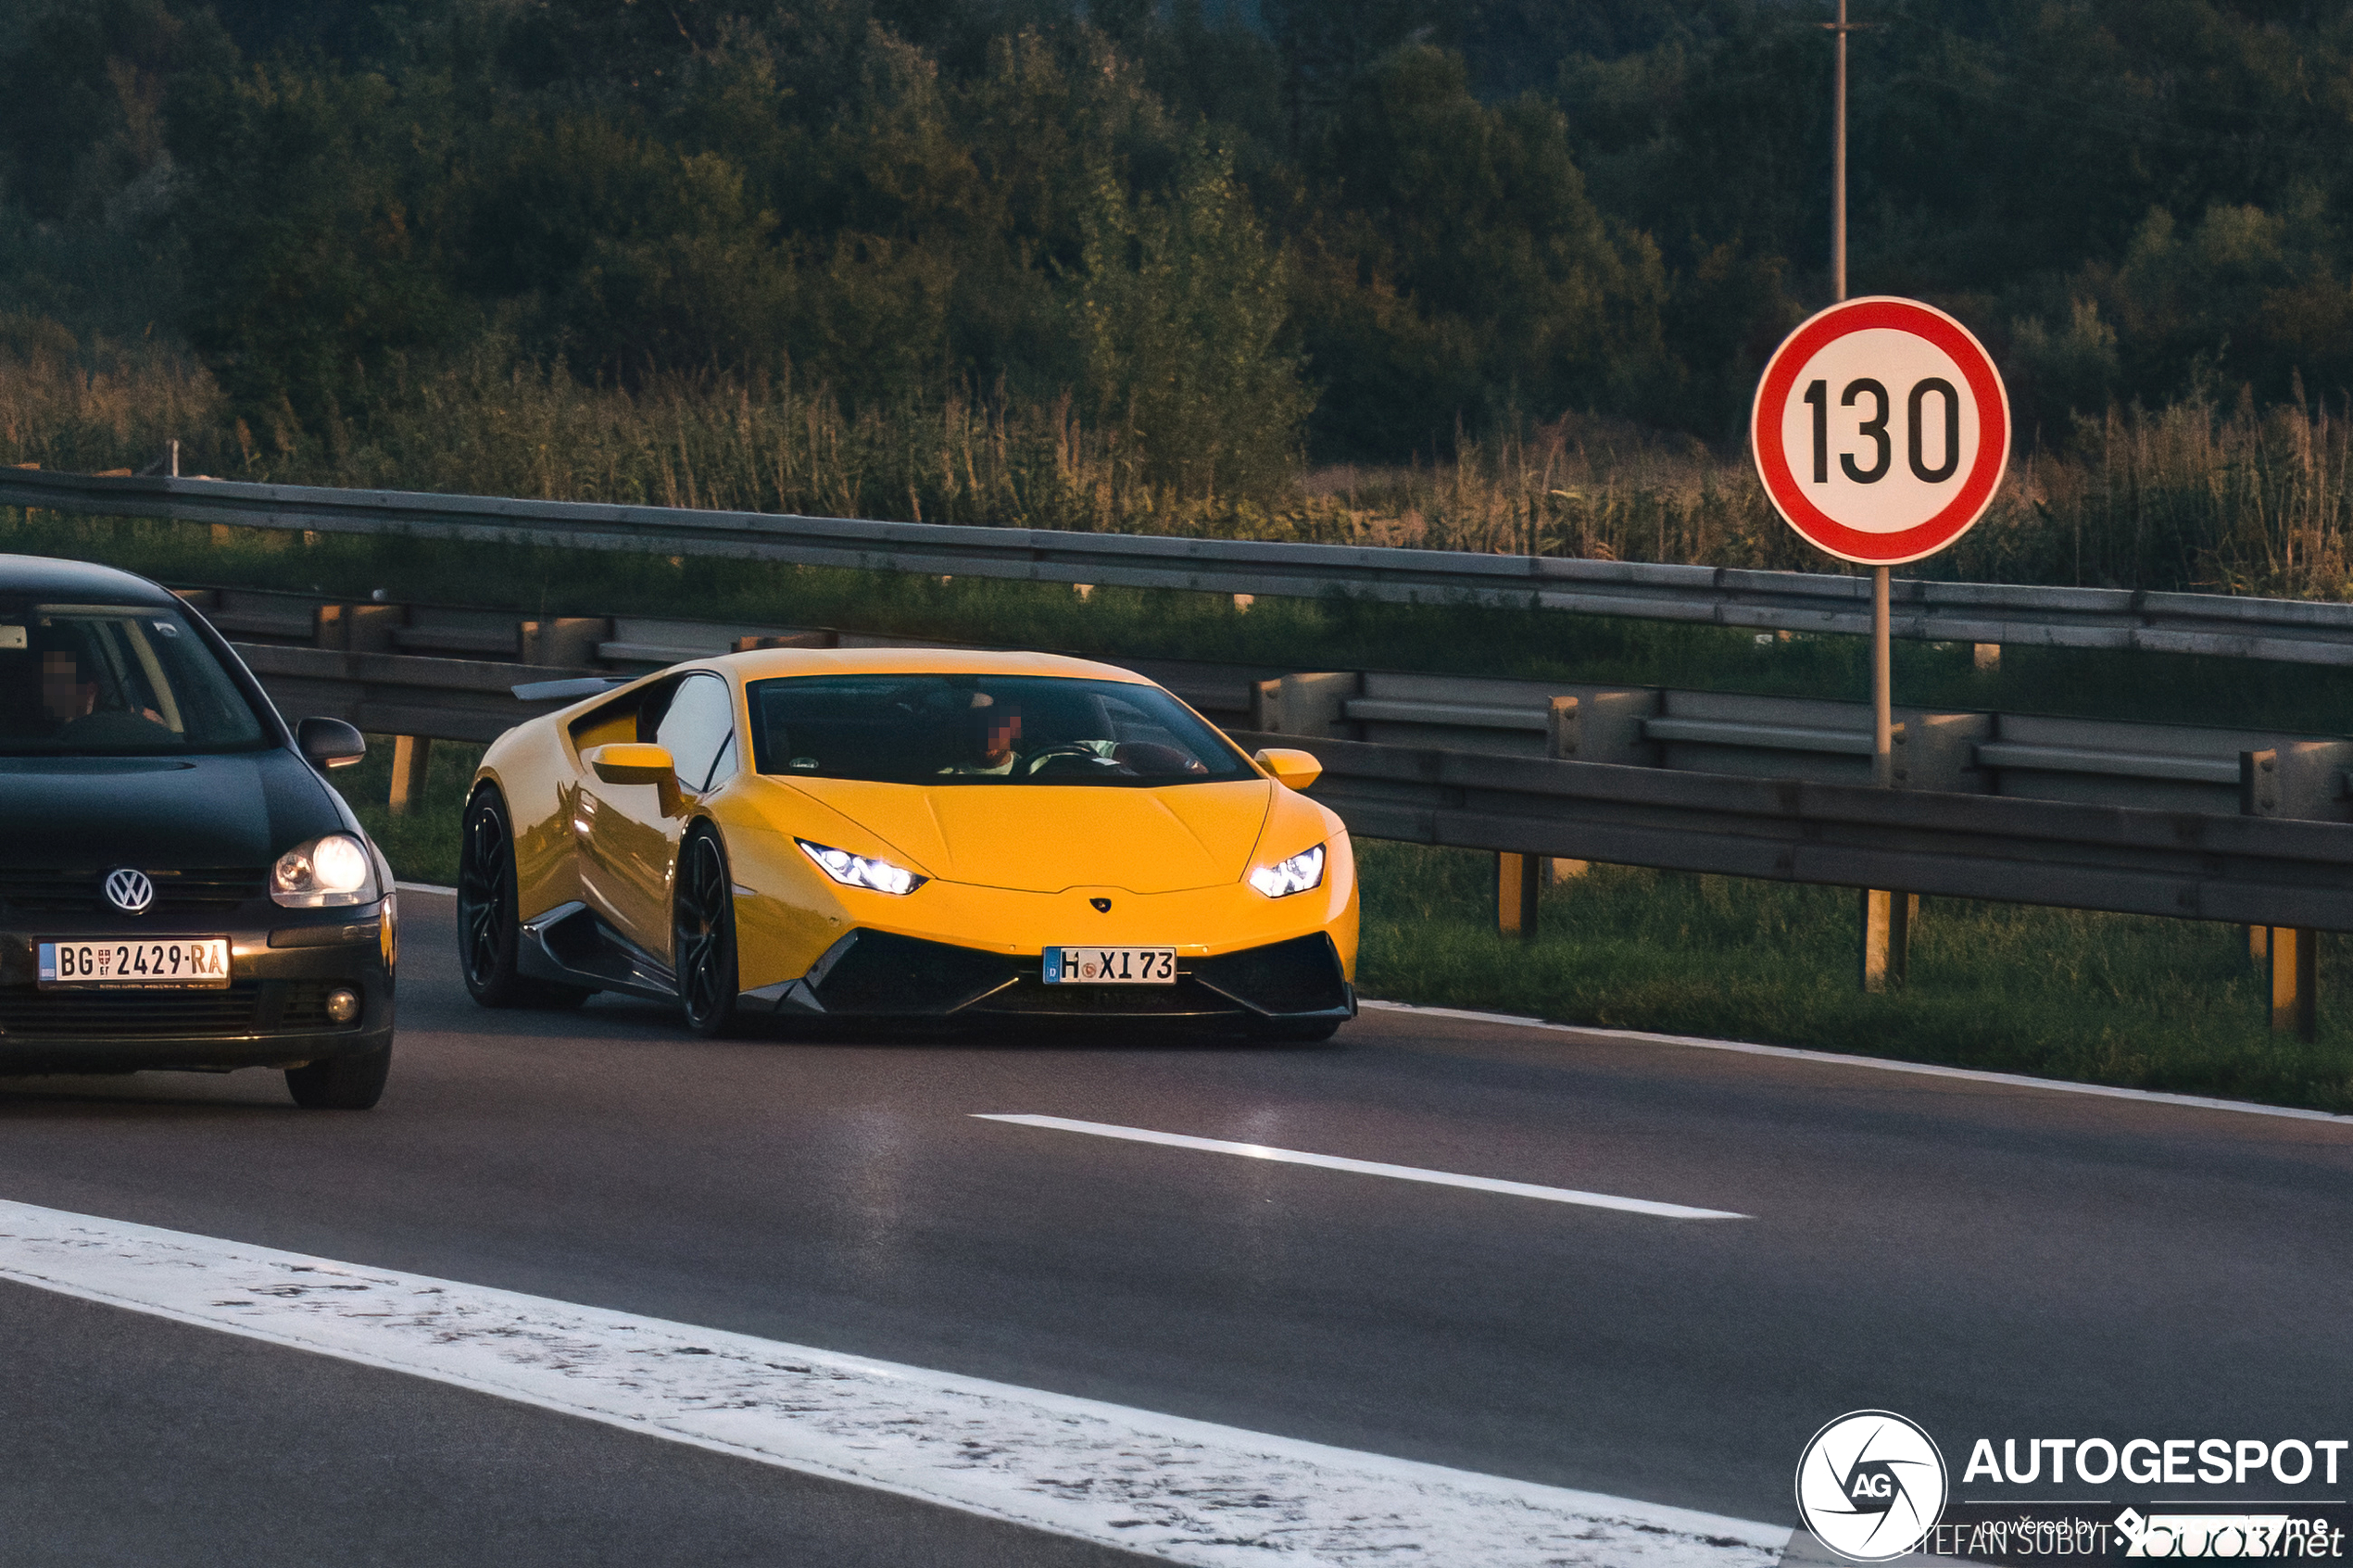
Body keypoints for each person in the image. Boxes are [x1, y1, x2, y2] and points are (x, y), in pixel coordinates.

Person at [38, 645, 174, 746]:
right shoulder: (27, 737)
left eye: (62, 683)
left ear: (90, 689)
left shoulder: (125, 729)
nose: (49, 692)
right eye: (47, 682)